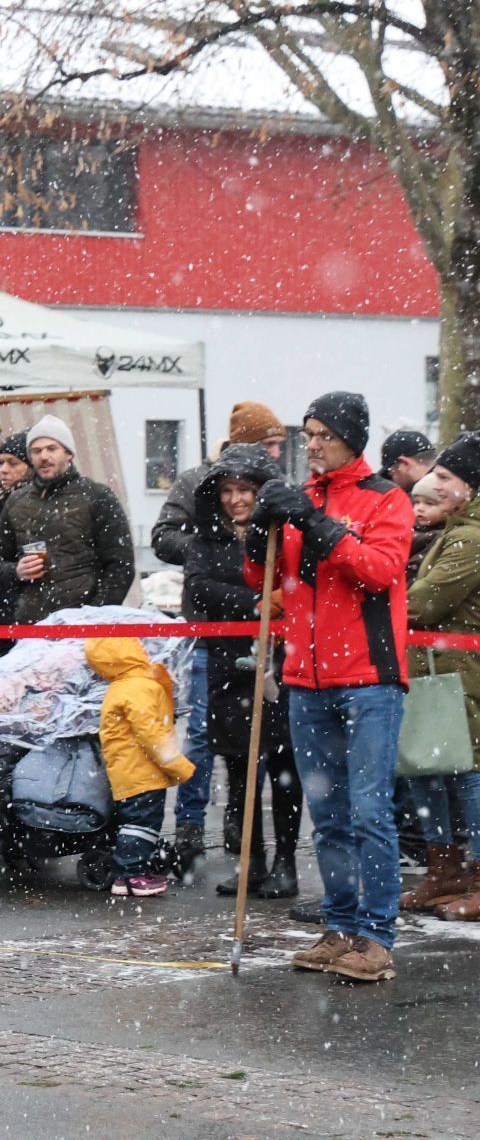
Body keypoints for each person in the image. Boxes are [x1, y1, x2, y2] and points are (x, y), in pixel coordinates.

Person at [248, 391, 411, 982]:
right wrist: (254, 535)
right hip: (305, 678)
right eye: (308, 433)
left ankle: (376, 937)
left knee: (370, 812)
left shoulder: (385, 497)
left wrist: (313, 523)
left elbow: (378, 571)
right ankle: (340, 926)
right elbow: (266, 578)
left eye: (323, 434)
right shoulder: (304, 498)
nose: (311, 444)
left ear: (351, 438)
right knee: (330, 814)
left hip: (368, 678)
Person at [183, 444, 300, 899]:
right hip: (229, 662)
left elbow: (296, 582)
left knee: (283, 766)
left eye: (246, 489)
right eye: (228, 490)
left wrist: (277, 603)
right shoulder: (206, 539)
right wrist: (253, 603)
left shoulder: (285, 532)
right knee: (239, 769)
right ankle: (250, 862)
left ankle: (286, 863)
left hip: (281, 661)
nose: (236, 499)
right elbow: (199, 590)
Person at [399, 433, 480, 920]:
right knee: (430, 774)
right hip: (438, 676)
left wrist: (379, 605)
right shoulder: (455, 531)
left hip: (462, 679)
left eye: (446, 477)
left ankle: (465, 873)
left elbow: (422, 604)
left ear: (470, 487)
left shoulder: (471, 538)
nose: (434, 483)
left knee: (468, 776)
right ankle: (444, 872)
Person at [0, 414, 135, 624]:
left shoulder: (97, 496)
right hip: (32, 623)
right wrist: (16, 571)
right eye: (36, 451)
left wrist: (95, 616)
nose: (44, 456)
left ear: (69, 454)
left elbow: (120, 565)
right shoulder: (16, 501)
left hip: (84, 623)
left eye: (51, 449)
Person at [90, 637, 197, 898]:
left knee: (137, 821)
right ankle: (131, 875)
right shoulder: (138, 687)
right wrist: (178, 765)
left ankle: (131, 872)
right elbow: (151, 734)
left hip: (131, 769)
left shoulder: (124, 685)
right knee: (141, 823)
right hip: (143, 770)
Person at [151, 401, 288, 567]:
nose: (276, 453)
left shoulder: (281, 485)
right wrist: (209, 551)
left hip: (266, 588)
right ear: (243, 444)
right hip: (208, 586)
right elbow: (164, 538)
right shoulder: (194, 481)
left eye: (278, 444)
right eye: (268, 444)